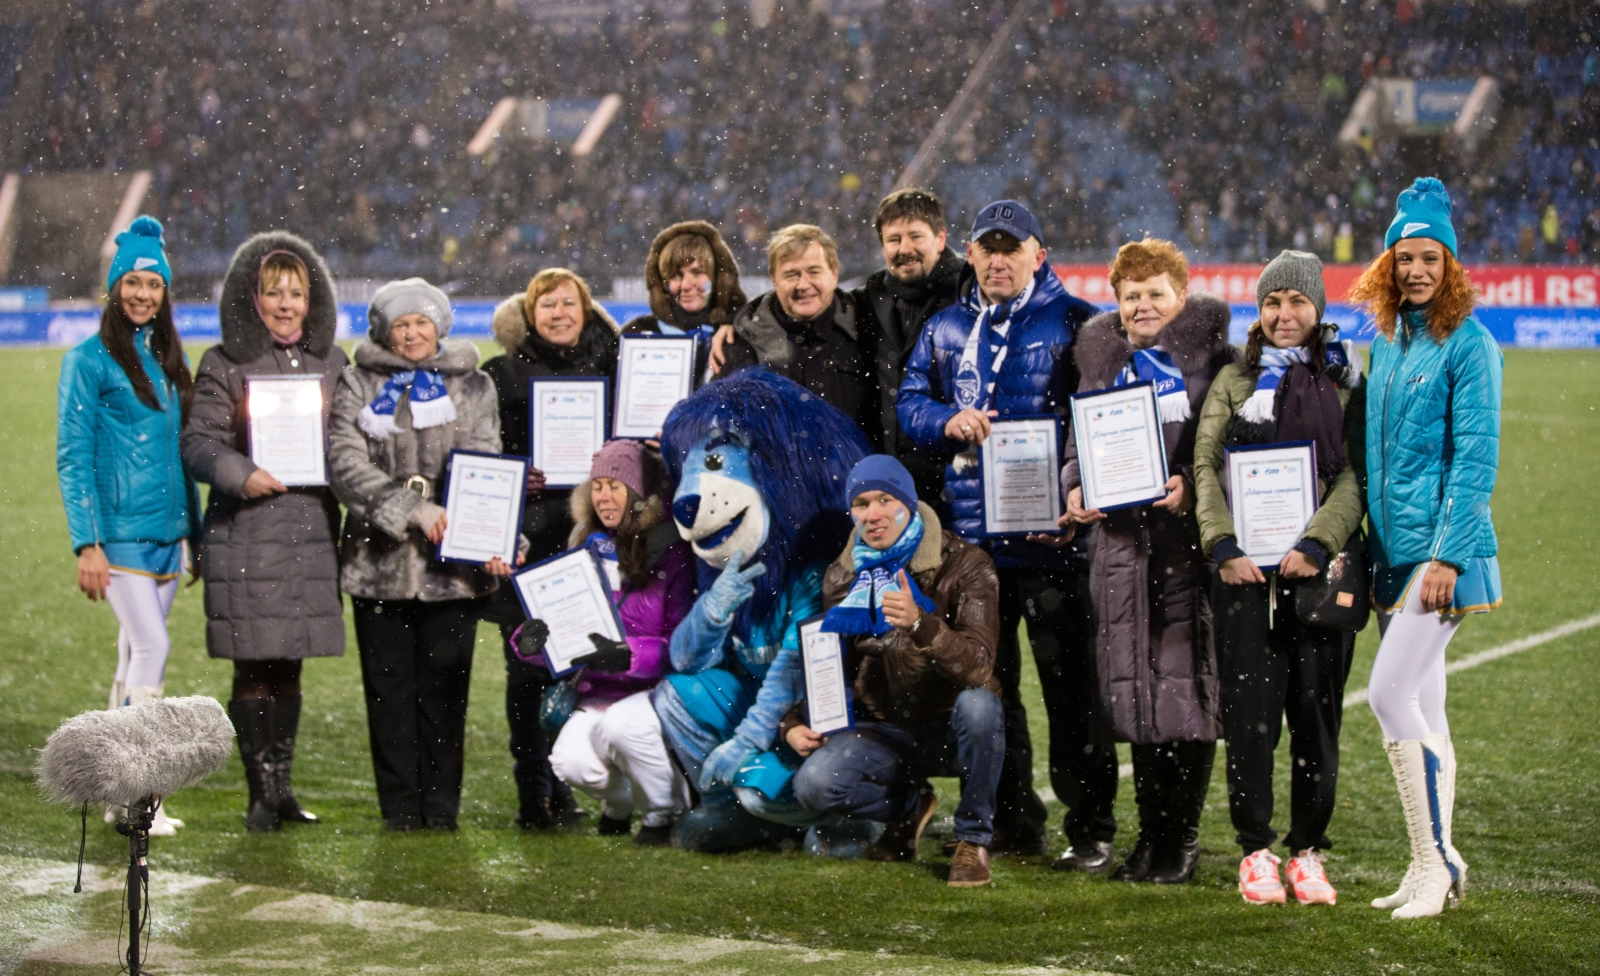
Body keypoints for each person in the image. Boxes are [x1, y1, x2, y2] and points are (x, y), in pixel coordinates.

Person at [897, 200, 1099, 858]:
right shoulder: (948, 326)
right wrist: (944, 422)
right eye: (988, 247)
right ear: (972, 255)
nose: (998, 259)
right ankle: (1014, 821)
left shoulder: (1075, 323)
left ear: (1040, 255)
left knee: (1071, 694)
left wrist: (1078, 490)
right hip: (976, 547)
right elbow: (909, 403)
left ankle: (1090, 828)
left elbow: (1100, 418)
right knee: (992, 687)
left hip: (1052, 544)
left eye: (1012, 247)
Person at [1192, 250, 1367, 904]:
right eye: (1272, 303)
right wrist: (1223, 543)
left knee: (1316, 721)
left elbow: (1354, 475)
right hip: (1243, 579)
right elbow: (1207, 468)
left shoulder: (1346, 380)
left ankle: (1307, 850)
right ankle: (1256, 850)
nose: (1284, 314)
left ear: (1317, 308)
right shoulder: (1235, 381)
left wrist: (1318, 542)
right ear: (1258, 312)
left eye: (1296, 302)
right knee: (1251, 721)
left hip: (1318, 580)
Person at [1349, 177, 1501, 919]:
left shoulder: (1470, 343)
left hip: (1442, 556)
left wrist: (1445, 556)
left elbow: (1476, 460)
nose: (1415, 271)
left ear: (1450, 267)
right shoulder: (1388, 339)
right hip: (1396, 553)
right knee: (1425, 705)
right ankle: (1434, 864)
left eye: (1430, 259)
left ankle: (1432, 862)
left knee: (1385, 694)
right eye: (1404, 257)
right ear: (1387, 264)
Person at [1063, 237, 1236, 884]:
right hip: (1118, 554)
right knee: (1134, 698)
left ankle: (1181, 841)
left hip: (1182, 556)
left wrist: (1194, 486)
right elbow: (1077, 439)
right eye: (1130, 295)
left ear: (1180, 296)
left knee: (1185, 700)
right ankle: (1148, 840)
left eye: (1154, 293)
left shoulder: (1216, 365)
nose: (1141, 306)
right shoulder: (1102, 364)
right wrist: (1075, 485)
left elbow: (1230, 448)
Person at [328, 278, 510, 832]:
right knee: (388, 694)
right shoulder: (357, 382)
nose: (411, 333)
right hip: (376, 564)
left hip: (450, 568)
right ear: (384, 330)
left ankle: (441, 807)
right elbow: (344, 461)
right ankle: (401, 808)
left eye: (421, 322)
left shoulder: (473, 385)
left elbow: (485, 456)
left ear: (440, 327)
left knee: (445, 692)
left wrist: (474, 527)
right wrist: (410, 509)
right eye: (400, 324)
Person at [181, 232, 347, 832]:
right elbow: (198, 444)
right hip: (246, 531)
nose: (284, 304)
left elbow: (350, 446)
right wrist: (241, 473)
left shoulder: (334, 363)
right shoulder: (224, 362)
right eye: (273, 292)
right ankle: (259, 794)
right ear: (251, 298)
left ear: (312, 299)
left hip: (309, 532)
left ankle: (283, 788)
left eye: (296, 293)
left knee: (291, 663)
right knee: (254, 663)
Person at [788, 456, 1004, 887]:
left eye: (885, 499)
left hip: (949, 727)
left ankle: (973, 839)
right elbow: (832, 668)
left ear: (908, 503)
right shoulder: (843, 575)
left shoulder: (967, 563)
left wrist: (921, 625)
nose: (873, 514)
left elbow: (980, 669)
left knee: (980, 708)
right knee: (813, 784)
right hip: (887, 728)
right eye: (862, 503)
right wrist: (793, 721)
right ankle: (909, 808)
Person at [57, 215, 199, 837]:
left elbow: (180, 450)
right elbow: (73, 454)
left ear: (166, 292)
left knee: (131, 652)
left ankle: (113, 788)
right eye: (133, 282)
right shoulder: (87, 361)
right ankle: (141, 790)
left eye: (155, 284)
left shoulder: (169, 356)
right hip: (117, 533)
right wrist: (87, 543)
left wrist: (190, 531)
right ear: (115, 288)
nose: (143, 294)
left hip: (167, 532)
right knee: (153, 648)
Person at [482, 268, 619, 830]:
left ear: (585, 310)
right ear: (529, 314)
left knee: (580, 672)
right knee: (527, 671)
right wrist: (520, 472)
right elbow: (480, 456)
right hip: (529, 546)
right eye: (547, 305)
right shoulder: (501, 375)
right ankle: (533, 795)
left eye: (569, 303)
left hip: (591, 543)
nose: (559, 314)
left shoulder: (612, 369)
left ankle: (564, 785)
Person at [513, 441, 694, 846]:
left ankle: (665, 813)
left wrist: (630, 656)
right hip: (597, 689)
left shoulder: (672, 552)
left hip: (653, 690)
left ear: (639, 494)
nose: (603, 497)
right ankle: (621, 804)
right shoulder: (585, 543)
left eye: (615, 485)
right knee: (569, 761)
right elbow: (563, 627)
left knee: (621, 726)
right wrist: (530, 642)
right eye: (597, 486)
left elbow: (682, 643)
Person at [717, 224, 881, 447]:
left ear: (834, 275)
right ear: (774, 280)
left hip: (855, 475)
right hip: (772, 477)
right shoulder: (743, 339)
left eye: (814, 272)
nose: (803, 285)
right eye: (791, 275)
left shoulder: (867, 325)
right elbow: (723, 424)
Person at [853, 188, 966, 501]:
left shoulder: (969, 296)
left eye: (916, 236)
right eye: (894, 240)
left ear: (940, 239)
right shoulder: (870, 298)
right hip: (891, 480)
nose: (905, 249)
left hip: (952, 479)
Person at [621, 221, 747, 383]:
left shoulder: (737, 335)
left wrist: (735, 322)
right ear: (663, 284)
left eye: (697, 273)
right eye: (675, 275)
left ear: (717, 279)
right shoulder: (637, 334)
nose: (686, 286)